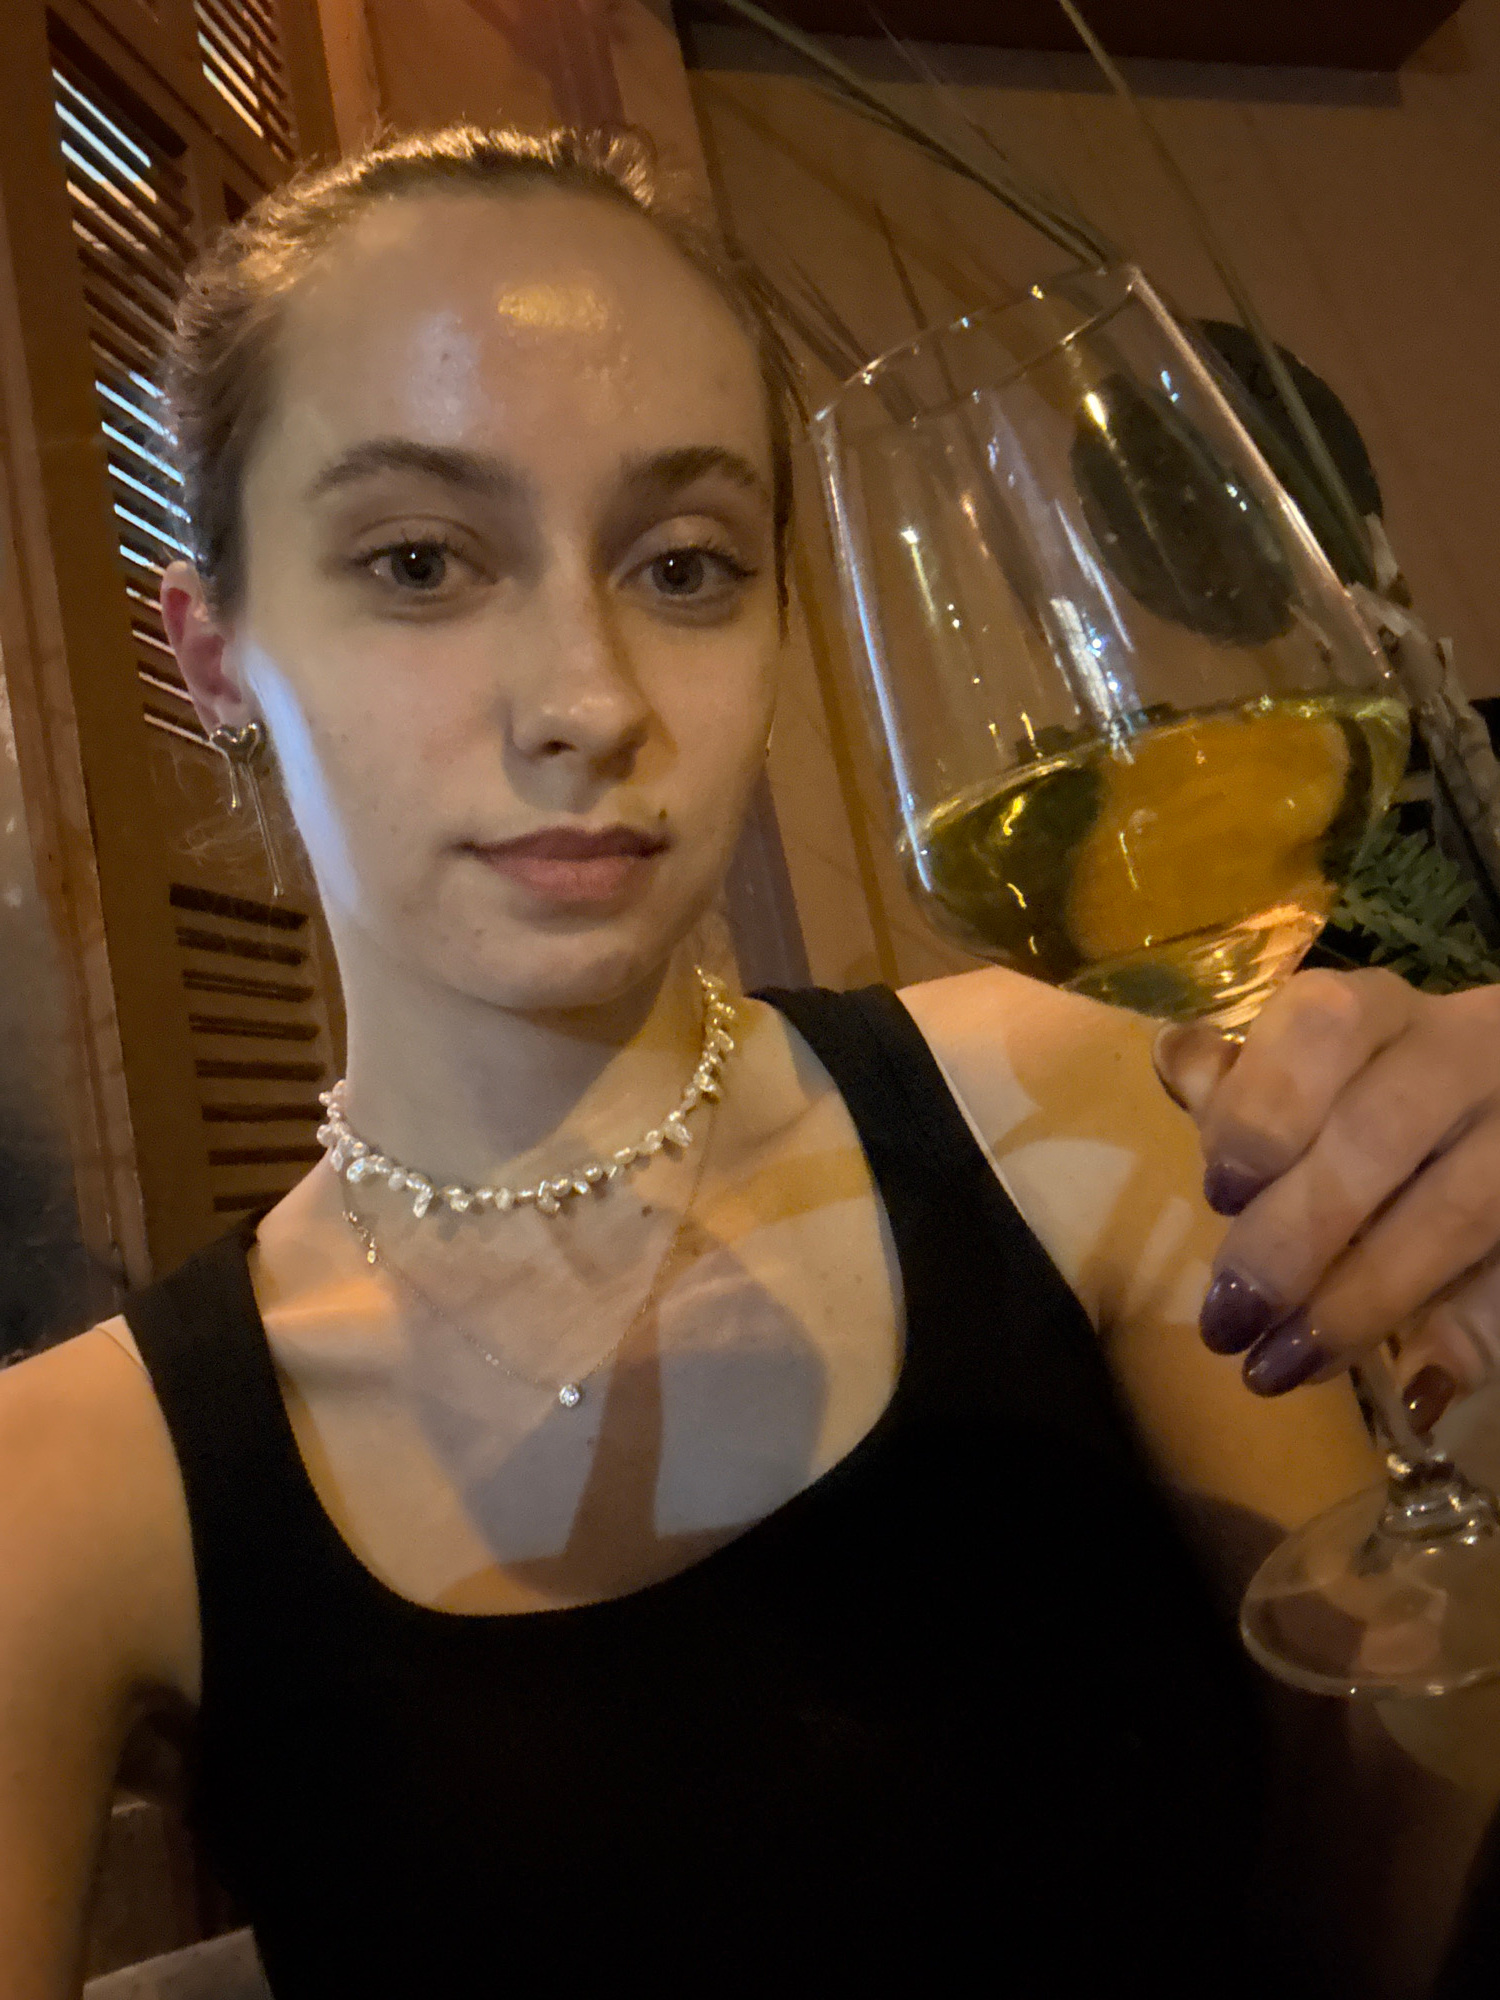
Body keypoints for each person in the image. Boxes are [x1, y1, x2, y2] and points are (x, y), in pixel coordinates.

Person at [3, 124, 1500, 1999]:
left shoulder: (1076, 1114)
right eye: (419, 560)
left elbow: (1374, 1925)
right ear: (217, 656)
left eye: (686, 564)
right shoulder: (67, 1485)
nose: (589, 701)